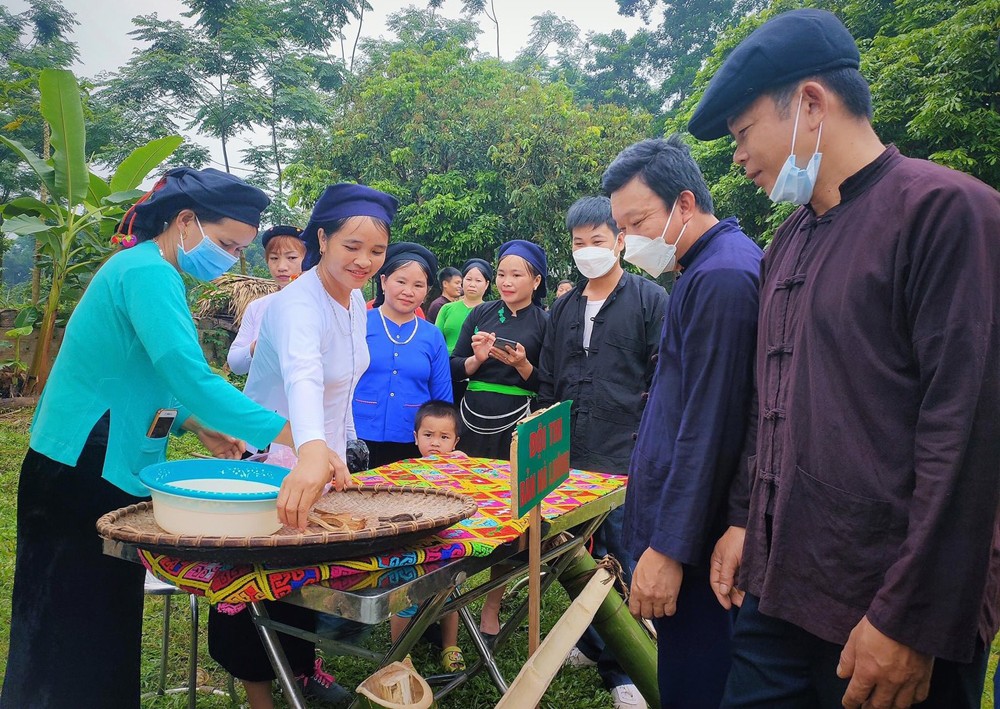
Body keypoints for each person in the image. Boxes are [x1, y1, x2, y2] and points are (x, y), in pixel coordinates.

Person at [688, 9, 1000, 709]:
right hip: (780, 585)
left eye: (742, 133)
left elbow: (969, 437)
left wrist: (909, 618)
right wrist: (743, 519)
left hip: (884, 608)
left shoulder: (947, 212)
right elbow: (769, 402)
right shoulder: (787, 242)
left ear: (809, 103)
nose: (737, 156)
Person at [0, 167, 340, 709]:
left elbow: (141, 375)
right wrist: (303, 438)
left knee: (98, 620)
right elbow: (191, 376)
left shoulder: (150, 270)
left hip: (97, 461)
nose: (229, 258)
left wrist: (195, 423)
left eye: (238, 251)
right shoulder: (147, 274)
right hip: (80, 467)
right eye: (226, 244)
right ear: (185, 222)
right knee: (72, 625)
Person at [209, 182, 398, 709]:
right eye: (352, 246)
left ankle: (301, 669)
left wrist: (336, 449)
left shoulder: (355, 299)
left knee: (301, 577)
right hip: (269, 459)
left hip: (318, 457)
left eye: (376, 250)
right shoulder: (294, 305)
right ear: (322, 239)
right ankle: (260, 694)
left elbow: (342, 385)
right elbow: (304, 377)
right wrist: (313, 449)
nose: (364, 261)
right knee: (254, 580)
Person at [603, 137, 762, 708]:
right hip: (690, 528)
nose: (629, 240)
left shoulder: (724, 277)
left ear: (685, 204)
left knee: (700, 685)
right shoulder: (701, 269)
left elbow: (709, 429)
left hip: (700, 543)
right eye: (622, 228)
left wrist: (669, 548)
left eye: (638, 221)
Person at [538, 195, 668, 709]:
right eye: (578, 242)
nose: (587, 250)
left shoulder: (649, 299)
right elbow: (549, 379)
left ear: (619, 241)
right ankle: (594, 644)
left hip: (624, 455)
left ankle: (624, 667)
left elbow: (663, 376)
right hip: (570, 455)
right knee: (576, 556)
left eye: (597, 239)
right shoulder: (565, 307)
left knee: (623, 558)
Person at [450, 239, 548, 639]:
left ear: (536, 280)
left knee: (510, 515)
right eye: (502, 274)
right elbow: (455, 366)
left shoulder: (545, 322)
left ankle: (492, 603)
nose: (506, 282)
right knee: (460, 503)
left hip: (516, 422)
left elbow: (549, 383)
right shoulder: (481, 313)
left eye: (516, 275)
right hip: (473, 416)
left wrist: (523, 365)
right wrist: (477, 359)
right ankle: (446, 599)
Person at [353, 242, 452, 469]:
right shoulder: (359, 323)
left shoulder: (432, 335)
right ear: (384, 281)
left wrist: (443, 442)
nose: (408, 291)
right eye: (401, 282)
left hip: (413, 441)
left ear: (427, 291)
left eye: (418, 285)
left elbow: (442, 398)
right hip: (357, 435)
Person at [389, 400, 467, 672]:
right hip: (414, 547)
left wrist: (463, 464)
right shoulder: (406, 470)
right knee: (405, 599)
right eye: (428, 435)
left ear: (455, 442)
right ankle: (400, 655)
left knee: (450, 595)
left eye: (444, 437)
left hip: (449, 544)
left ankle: (450, 646)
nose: (435, 443)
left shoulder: (458, 465)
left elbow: (474, 480)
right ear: (415, 437)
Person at [227, 225, 307, 375]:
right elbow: (235, 364)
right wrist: (258, 346)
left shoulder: (324, 304)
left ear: (308, 260)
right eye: (274, 258)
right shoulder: (257, 307)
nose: (281, 267)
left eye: (292, 258)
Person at [436, 258, 493, 354]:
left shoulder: (490, 311)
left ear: (486, 284)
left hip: (478, 361)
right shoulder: (446, 308)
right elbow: (435, 340)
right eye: (468, 279)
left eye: (478, 280)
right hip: (446, 361)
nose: (472, 284)